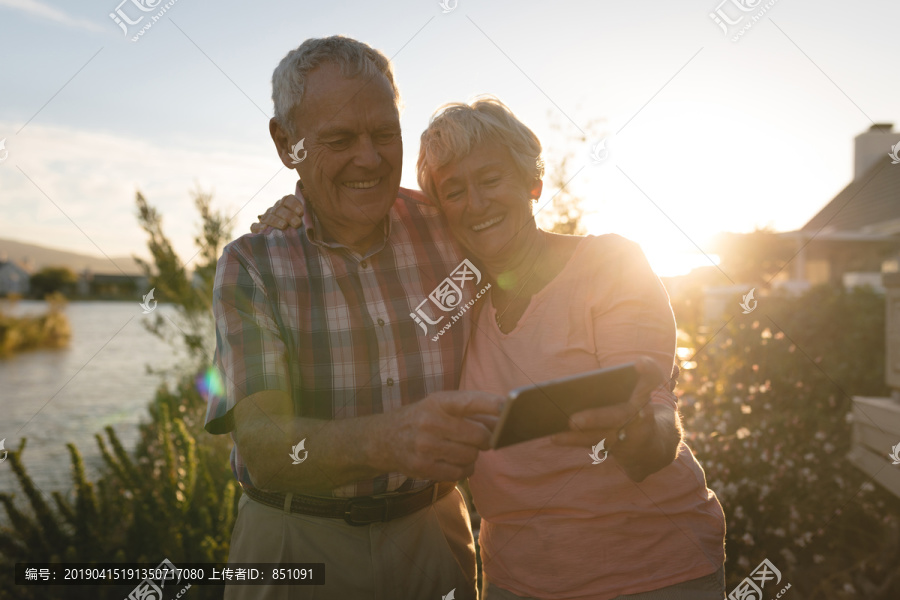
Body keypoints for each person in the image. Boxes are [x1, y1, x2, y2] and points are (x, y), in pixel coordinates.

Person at [257, 97, 728, 599]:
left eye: (490, 180)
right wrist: (297, 205)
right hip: (516, 581)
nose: (475, 204)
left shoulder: (611, 264)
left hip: (655, 574)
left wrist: (631, 429)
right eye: (454, 191)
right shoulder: (452, 296)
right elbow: (355, 202)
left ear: (533, 183)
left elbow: (654, 412)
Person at [207, 36, 505, 600]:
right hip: (293, 546)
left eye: (384, 134)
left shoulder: (452, 228)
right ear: (286, 143)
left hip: (434, 532)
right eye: (340, 139)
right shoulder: (253, 265)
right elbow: (266, 449)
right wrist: (391, 440)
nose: (369, 158)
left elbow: (533, 271)